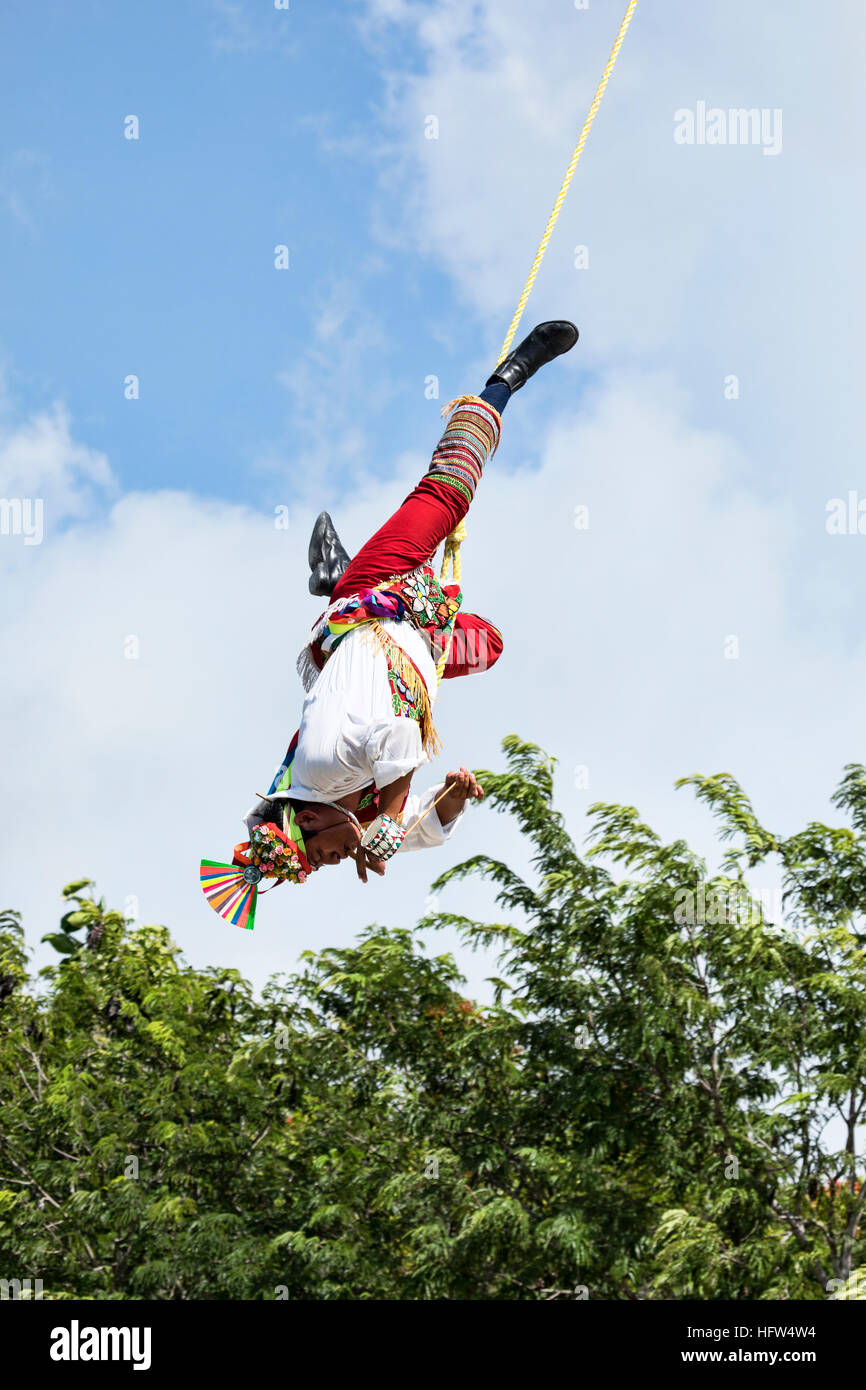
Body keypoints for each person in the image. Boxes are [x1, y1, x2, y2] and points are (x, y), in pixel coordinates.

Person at [245, 320, 579, 884]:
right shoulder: (356, 816)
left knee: (446, 495)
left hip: (374, 599)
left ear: (303, 820)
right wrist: (451, 798)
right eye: (322, 866)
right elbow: (424, 826)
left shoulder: (320, 768)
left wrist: (392, 821)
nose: (332, 861)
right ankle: (333, 573)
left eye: (318, 855)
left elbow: (398, 739)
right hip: (414, 635)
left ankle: (505, 382)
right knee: (488, 643)